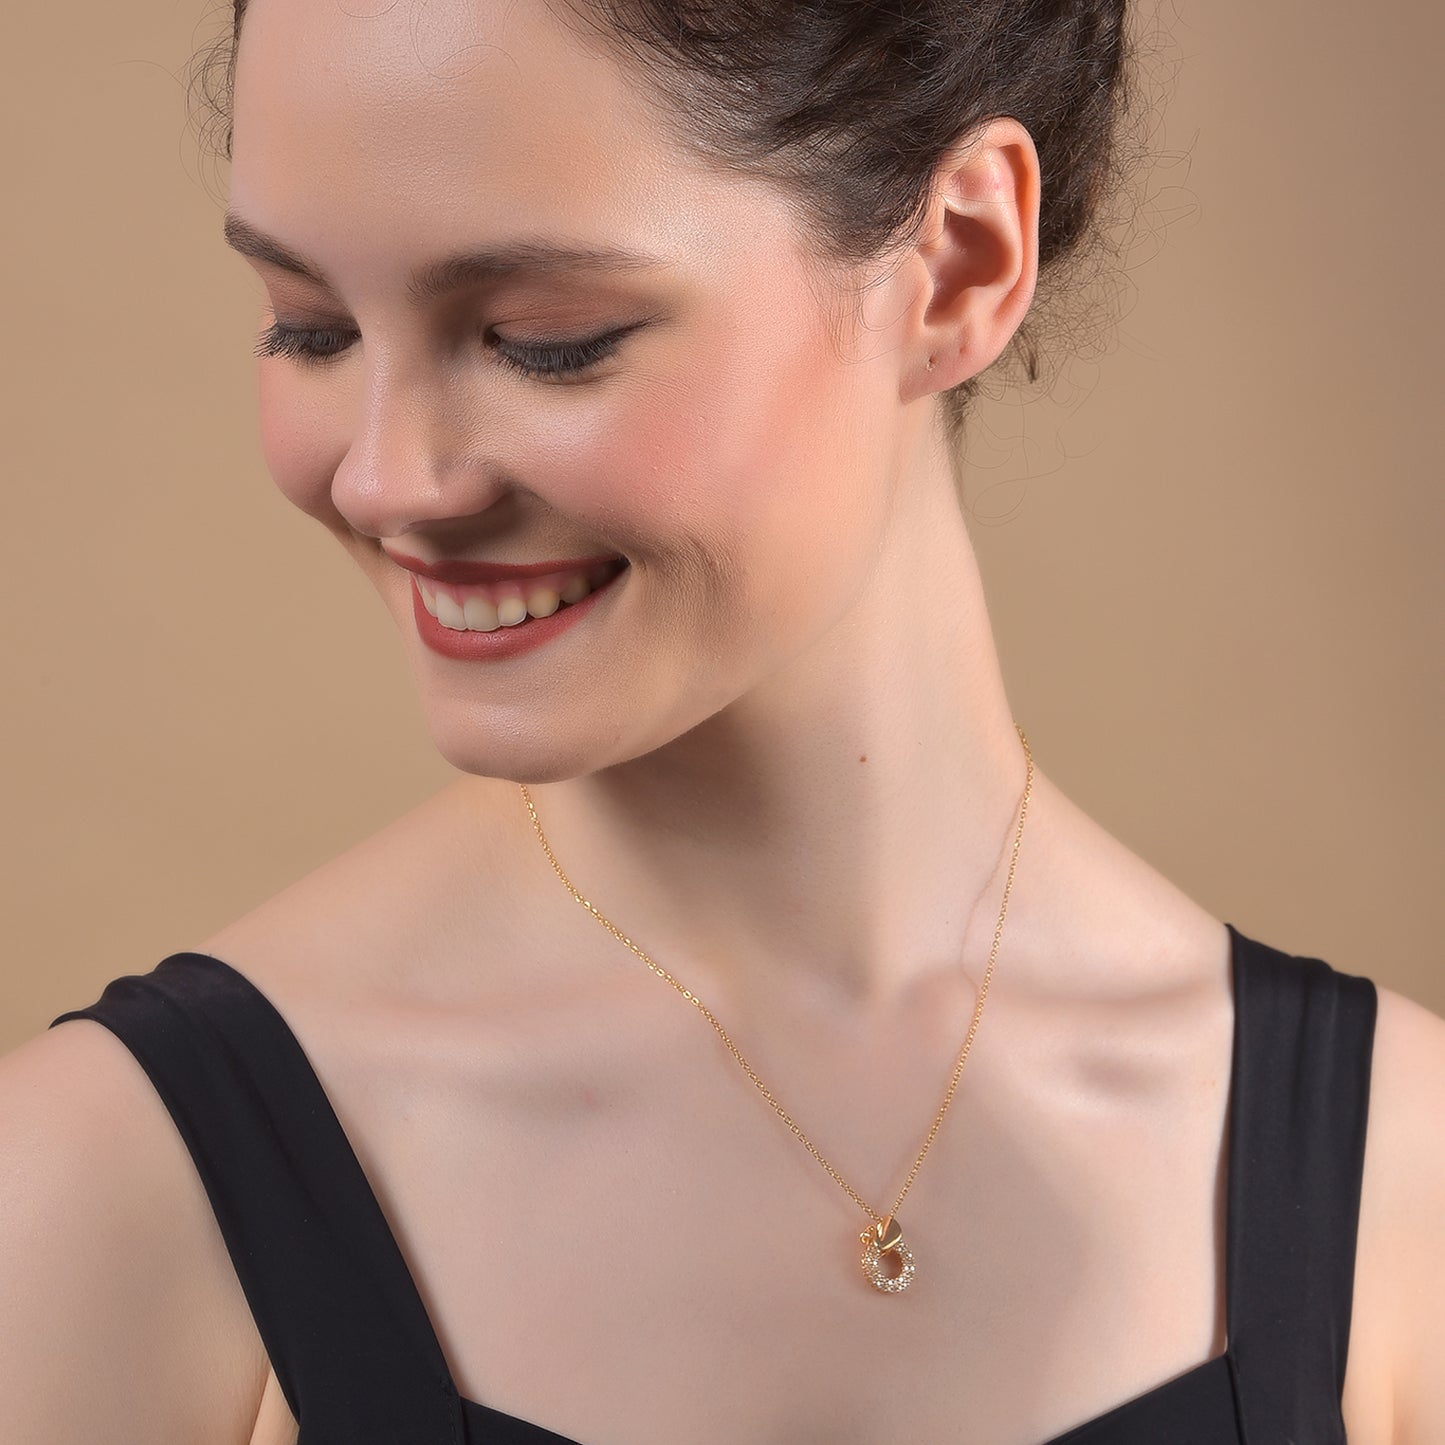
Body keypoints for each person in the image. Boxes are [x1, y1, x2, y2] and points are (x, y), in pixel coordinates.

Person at [2, 0, 1441, 1440]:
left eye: (543, 339)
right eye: (308, 328)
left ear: (958, 260)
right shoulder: (102, 1190)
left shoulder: (1402, 1186)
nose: (386, 479)